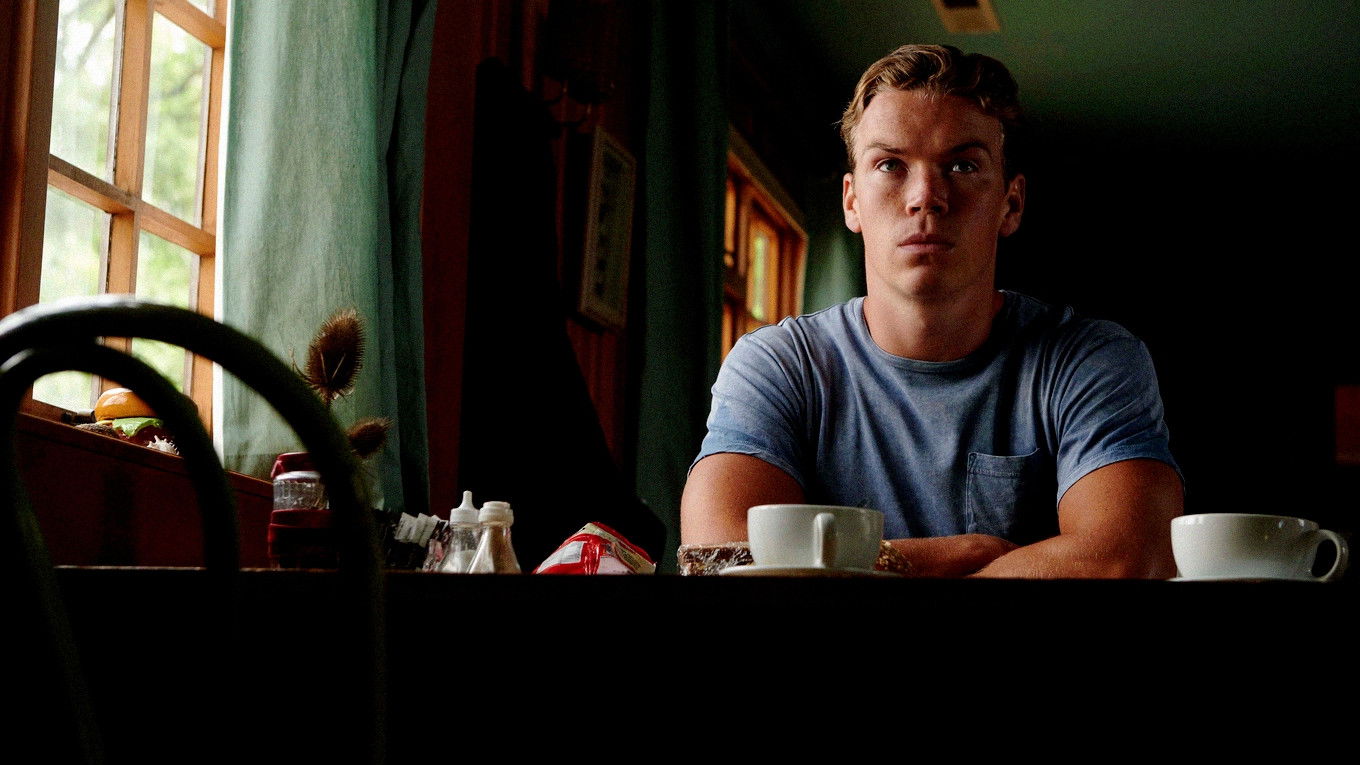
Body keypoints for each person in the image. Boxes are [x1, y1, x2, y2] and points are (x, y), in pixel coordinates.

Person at [680, 44, 1184, 578]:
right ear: (852, 201)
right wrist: (961, 554)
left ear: (1011, 204)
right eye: (890, 165)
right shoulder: (778, 365)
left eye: (962, 165)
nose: (926, 196)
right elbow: (716, 562)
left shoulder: (1090, 359)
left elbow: (1130, 557)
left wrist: (847, 570)